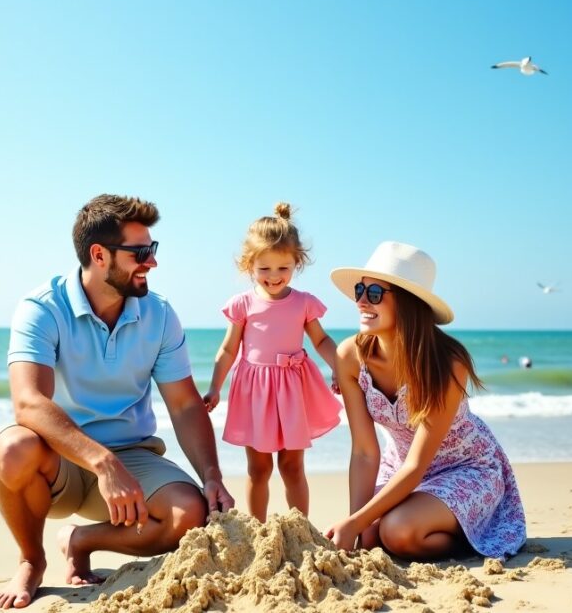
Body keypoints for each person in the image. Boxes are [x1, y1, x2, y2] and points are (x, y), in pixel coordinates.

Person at [0, 194, 234, 610]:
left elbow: (185, 405)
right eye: (140, 252)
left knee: (189, 515)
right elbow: (29, 403)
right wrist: (103, 463)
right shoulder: (41, 309)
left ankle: (80, 539)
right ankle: (31, 561)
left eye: (152, 250)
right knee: (13, 447)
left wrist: (211, 475)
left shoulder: (159, 314)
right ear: (99, 255)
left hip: (134, 457)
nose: (151, 262)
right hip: (60, 459)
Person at [324, 241, 525, 561]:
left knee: (397, 532)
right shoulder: (349, 356)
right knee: (373, 535)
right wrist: (357, 528)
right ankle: (409, 523)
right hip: (400, 466)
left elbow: (419, 464)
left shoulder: (447, 363)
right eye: (360, 290)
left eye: (374, 293)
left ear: (406, 302)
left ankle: (472, 537)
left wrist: (355, 523)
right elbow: (364, 451)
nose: (361, 300)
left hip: (466, 468)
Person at [202, 203, 342, 522]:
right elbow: (228, 349)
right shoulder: (243, 304)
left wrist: (337, 366)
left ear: (297, 263)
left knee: (292, 466)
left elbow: (321, 340)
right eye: (264, 269)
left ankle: (299, 528)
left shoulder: (303, 303)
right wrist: (214, 388)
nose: (274, 277)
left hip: (292, 390)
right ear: (249, 265)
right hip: (256, 393)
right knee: (259, 468)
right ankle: (259, 529)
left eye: (283, 268)